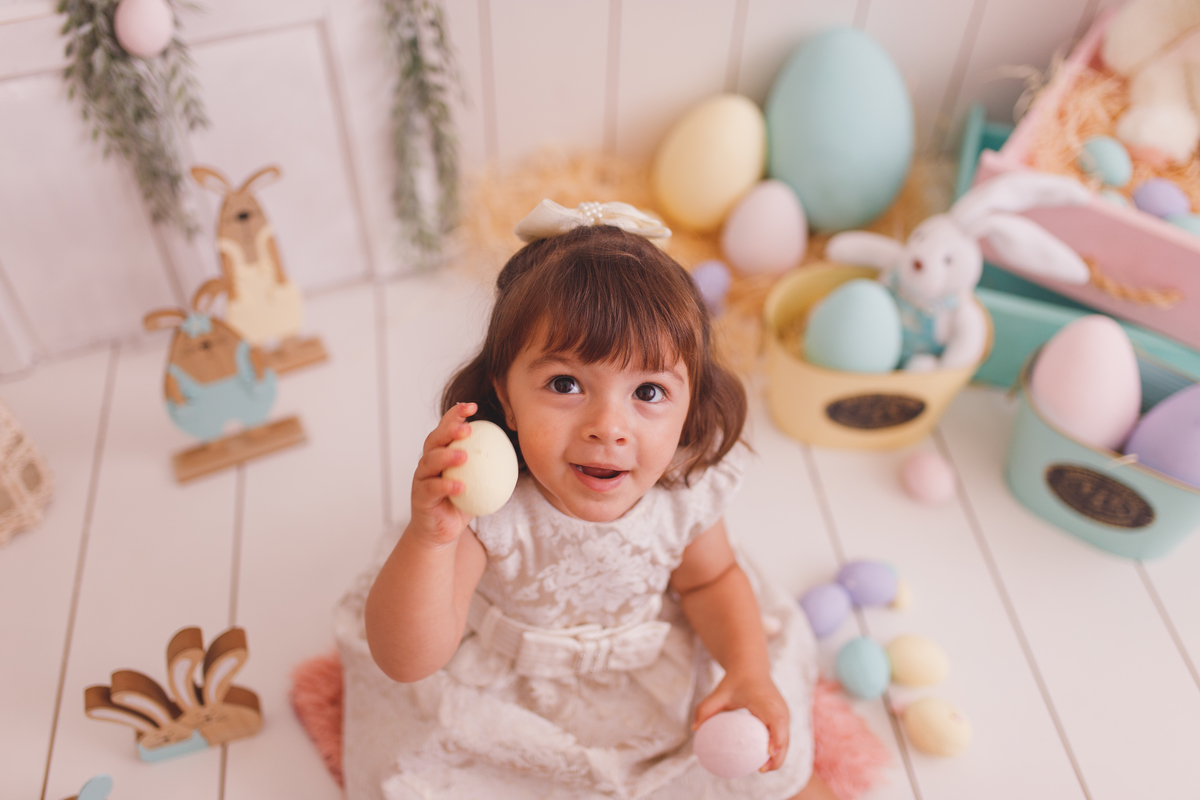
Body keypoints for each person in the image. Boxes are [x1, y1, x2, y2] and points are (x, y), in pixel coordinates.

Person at [358, 200, 831, 800]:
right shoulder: (490, 510)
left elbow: (712, 582)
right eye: (565, 384)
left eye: (650, 391)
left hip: (648, 676)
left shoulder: (680, 493)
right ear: (505, 395)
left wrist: (747, 669)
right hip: (513, 695)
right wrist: (430, 539)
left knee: (745, 773)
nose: (609, 426)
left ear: (690, 404)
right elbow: (408, 660)